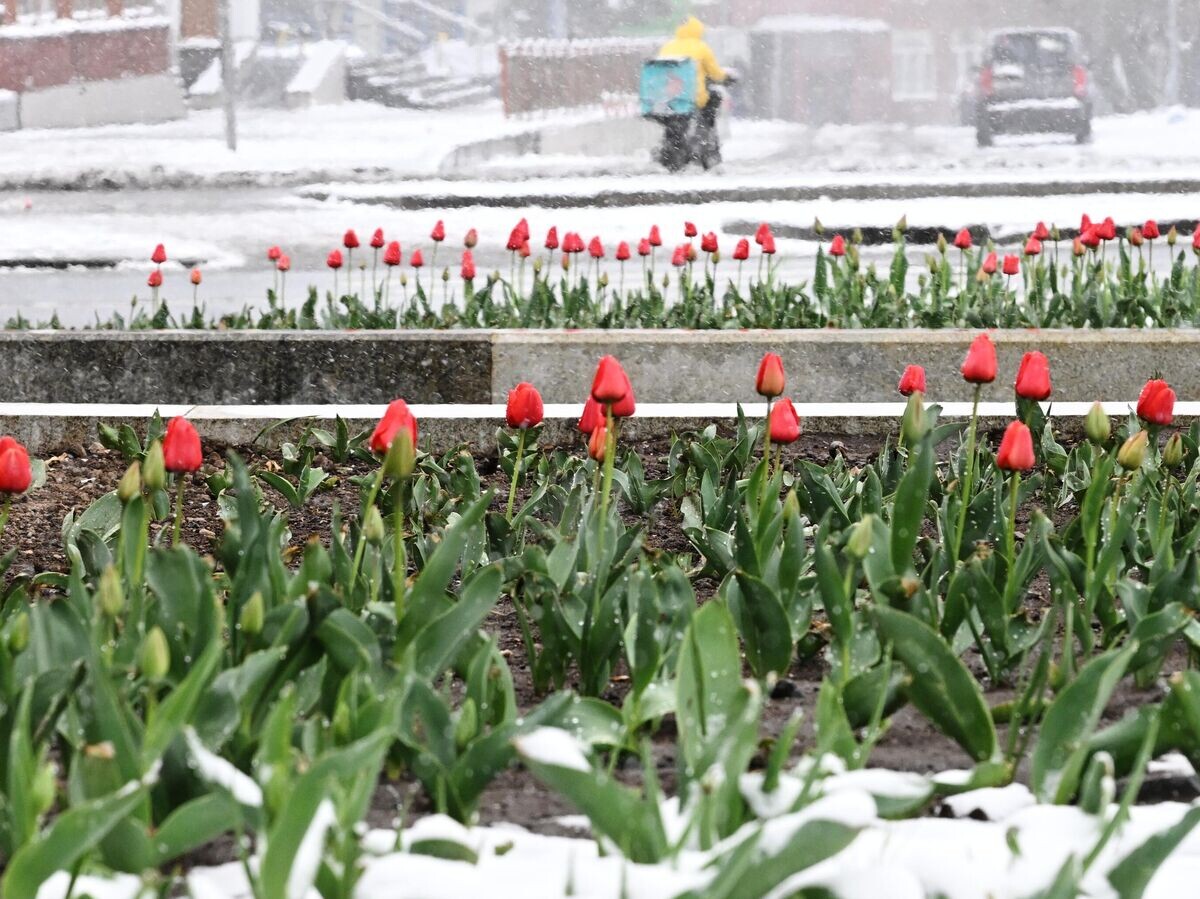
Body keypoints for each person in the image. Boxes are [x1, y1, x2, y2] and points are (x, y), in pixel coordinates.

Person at [657, 16, 728, 121]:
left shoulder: (667, 46)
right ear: (698, 30)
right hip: (693, 96)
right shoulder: (701, 47)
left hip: (670, 96)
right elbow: (715, 73)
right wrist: (724, 76)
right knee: (715, 96)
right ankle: (704, 127)